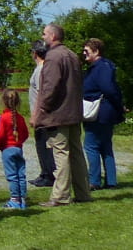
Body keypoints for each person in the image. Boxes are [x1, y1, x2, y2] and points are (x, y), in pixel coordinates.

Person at [33, 22, 93, 207]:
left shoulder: (53, 57)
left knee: (61, 154)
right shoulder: (72, 55)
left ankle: (60, 196)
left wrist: (40, 111)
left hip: (58, 114)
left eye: (44, 34)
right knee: (76, 154)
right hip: (74, 113)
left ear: (52, 36)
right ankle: (83, 193)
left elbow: (49, 88)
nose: (43, 37)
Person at [82, 38, 125, 190]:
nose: (84, 53)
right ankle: (111, 181)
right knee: (105, 146)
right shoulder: (100, 67)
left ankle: (94, 181)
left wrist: (118, 106)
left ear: (96, 51)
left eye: (87, 50)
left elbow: (108, 88)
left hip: (99, 112)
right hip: (106, 111)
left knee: (91, 146)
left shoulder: (101, 67)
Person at [27, 39, 57, 187]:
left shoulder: (41, 70)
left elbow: (41, 93)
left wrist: (37, 114)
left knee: (44, 144)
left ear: (35, 53)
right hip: (40, 113)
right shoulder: (41, 68)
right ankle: (44, 172)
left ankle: (49, 174)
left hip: (41, 115)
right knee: (40, 144)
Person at [0, 88, 29, 209]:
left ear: (3, 102)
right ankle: (22, 199)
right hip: (18, 148)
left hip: (7, 149)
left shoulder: (3, 118)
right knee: (21, 174)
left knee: (12, 175)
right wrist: (19, 142)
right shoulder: (20, 118)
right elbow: (25, 134)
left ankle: (15, 199)